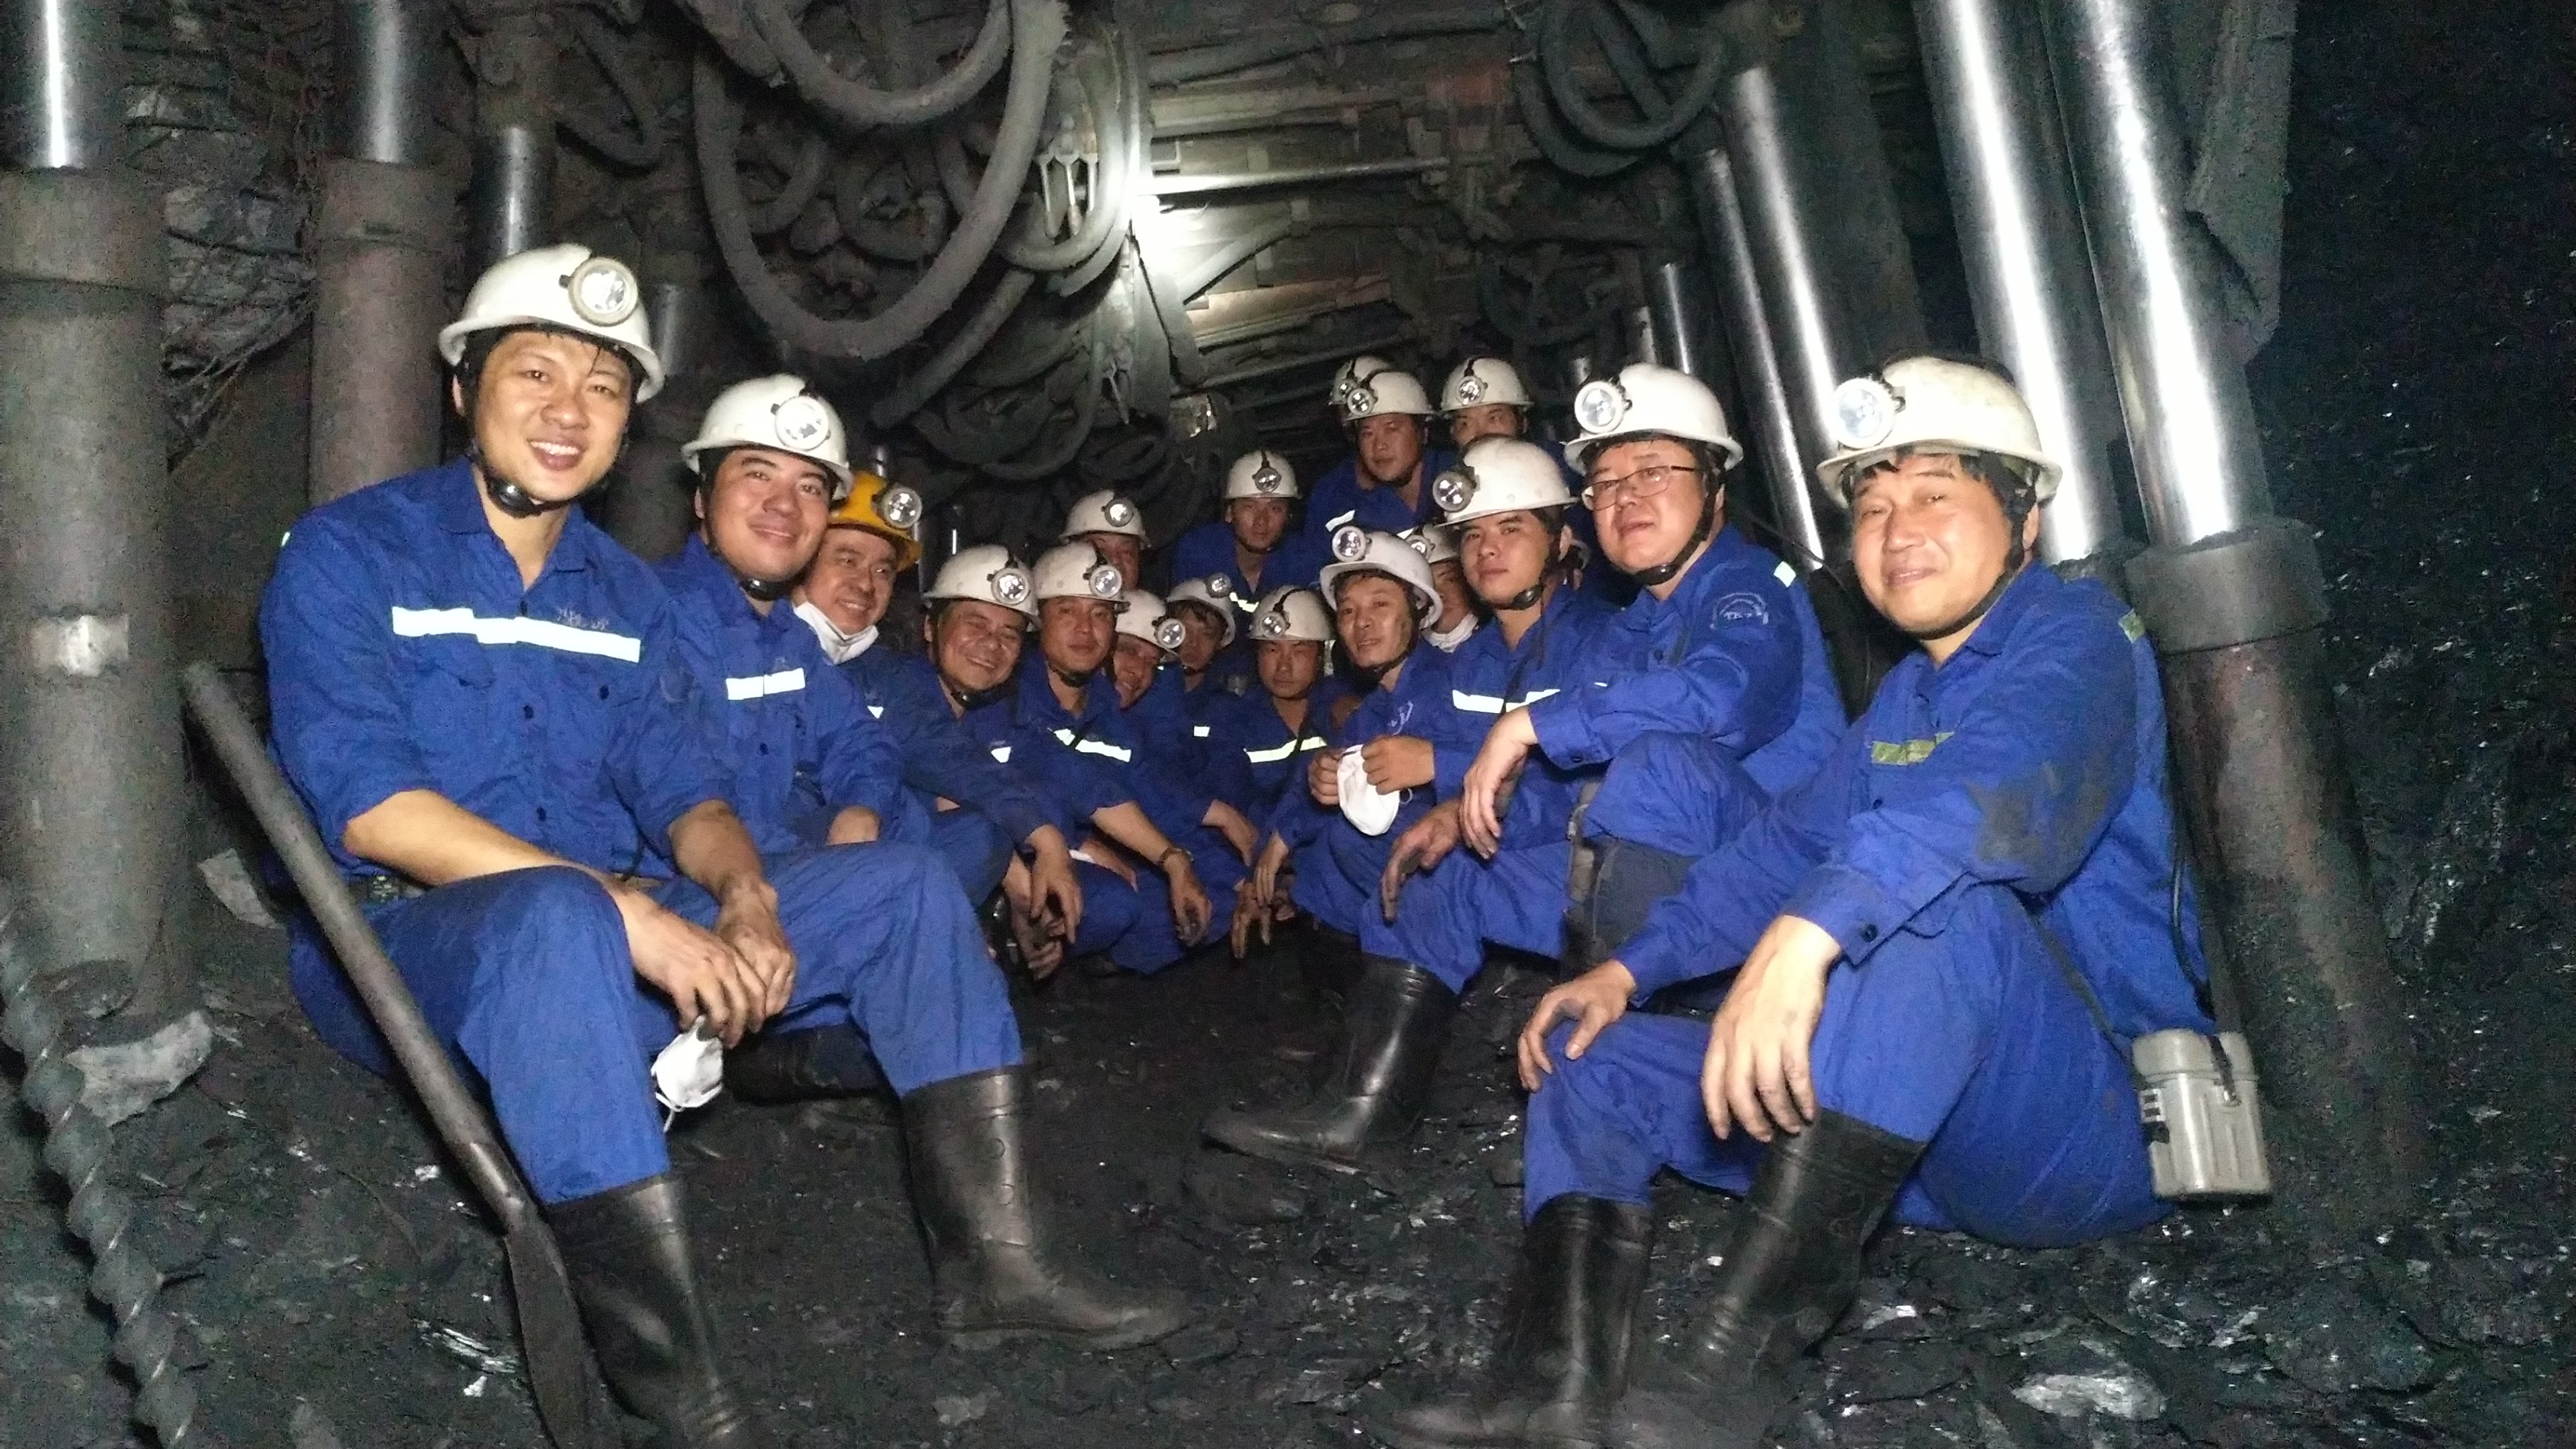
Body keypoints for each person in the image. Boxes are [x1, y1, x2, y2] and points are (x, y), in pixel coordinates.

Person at [261, 248, 1183, 1449]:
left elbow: (686, 794)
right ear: (462, 389)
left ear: (629, 426)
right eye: (534, 372)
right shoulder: (352, 553)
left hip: (612, 915)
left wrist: (744, 895)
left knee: (906, 885)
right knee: (562, 920)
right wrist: (632, 913)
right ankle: (672, 1386)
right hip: (398, 938)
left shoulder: (622, 598)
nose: (568, 410)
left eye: (602, 388)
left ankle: (999, 1267)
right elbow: (375, 812)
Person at [1385, 356, 2215, 1449]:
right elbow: (1776, 850)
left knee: (1942, 905)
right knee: (1591, 1052)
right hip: (1898, 1146)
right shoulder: (1907, 697)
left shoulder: (2080, 636)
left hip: (2077, 1128)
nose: (1897, 530)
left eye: (1934, 495)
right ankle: (1553, 1376)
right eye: (1872, 508)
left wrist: (1807, 934)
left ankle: (1736, 1369)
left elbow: (1998, 801)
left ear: (2025, 517)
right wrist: (1626, 970)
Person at [1455, 364, 1845, 984]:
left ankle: (1620, 1000)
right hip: (1675, 862)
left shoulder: (1748, 585)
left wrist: (1530, 723)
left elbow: (1722, 700)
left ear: (1715, 487)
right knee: (1450, 879)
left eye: (1653, 471)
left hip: (1786, 870)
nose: (1625, 497)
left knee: (1661, 763)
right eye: (1606, 483)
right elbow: (1576, 786)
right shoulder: (1632, 627)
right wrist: (1471, 817)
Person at [1203, 528, 1479, 1170]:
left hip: (1469, 863)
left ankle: (1381, 1091)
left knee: (1350, 842)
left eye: (1380, 605)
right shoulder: (1376, 707)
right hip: (1417, 862)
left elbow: (1505, 773)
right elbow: (1327, 772)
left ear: (1419, 610)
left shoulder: (1452, 682)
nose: (1362, 623)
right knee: (1323, 854)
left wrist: (1432, 768)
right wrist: (1277, 840)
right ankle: (1357, 1028)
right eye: (1349, 611)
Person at [971, 543, 1232, 975]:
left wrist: (1185, 860)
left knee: (1195, 895)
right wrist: (1080, 844)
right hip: (999, 847)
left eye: (1100, 615)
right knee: (1113, 902)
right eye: (1067, 611)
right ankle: (1000, 935)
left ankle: (1072, 960)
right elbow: (1033, 778)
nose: (1085, 629)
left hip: (1065, 844)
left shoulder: (1107, 713)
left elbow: (1135, 791)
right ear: (1038, 620)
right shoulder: (1001, 686)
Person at [1440, 354, 1626, 606]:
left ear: (1523, 421)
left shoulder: (1568, 468)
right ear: (1452, 433)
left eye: (1495, 418)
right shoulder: (1451, 488)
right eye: (1465, 423)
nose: (1481, 434)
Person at [1169, 449, 1324, 645]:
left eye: (1275, 509)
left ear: (1288, 516)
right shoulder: (1198, 553)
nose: (1261, 521)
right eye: (1249, 507)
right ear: (1229, 513)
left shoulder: (1305, 561)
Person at [1302, 364, 1458, 548]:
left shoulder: (1462, 474)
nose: (1379, 445)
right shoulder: (1361, 516)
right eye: (1367, 434)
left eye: (1392, 428)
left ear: (1423, 433)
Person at [1059, 487, 1150, 594]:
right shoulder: (1047, 602)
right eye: (1100, 549)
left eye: (1126, 552)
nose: (1115, 561)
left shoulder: (1151, 605)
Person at [1409, 524, 1482, 652]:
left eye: (1450, 580)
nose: (1438, 594)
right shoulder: (1404, 659)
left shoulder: (1507, 642)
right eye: (1425, 586)